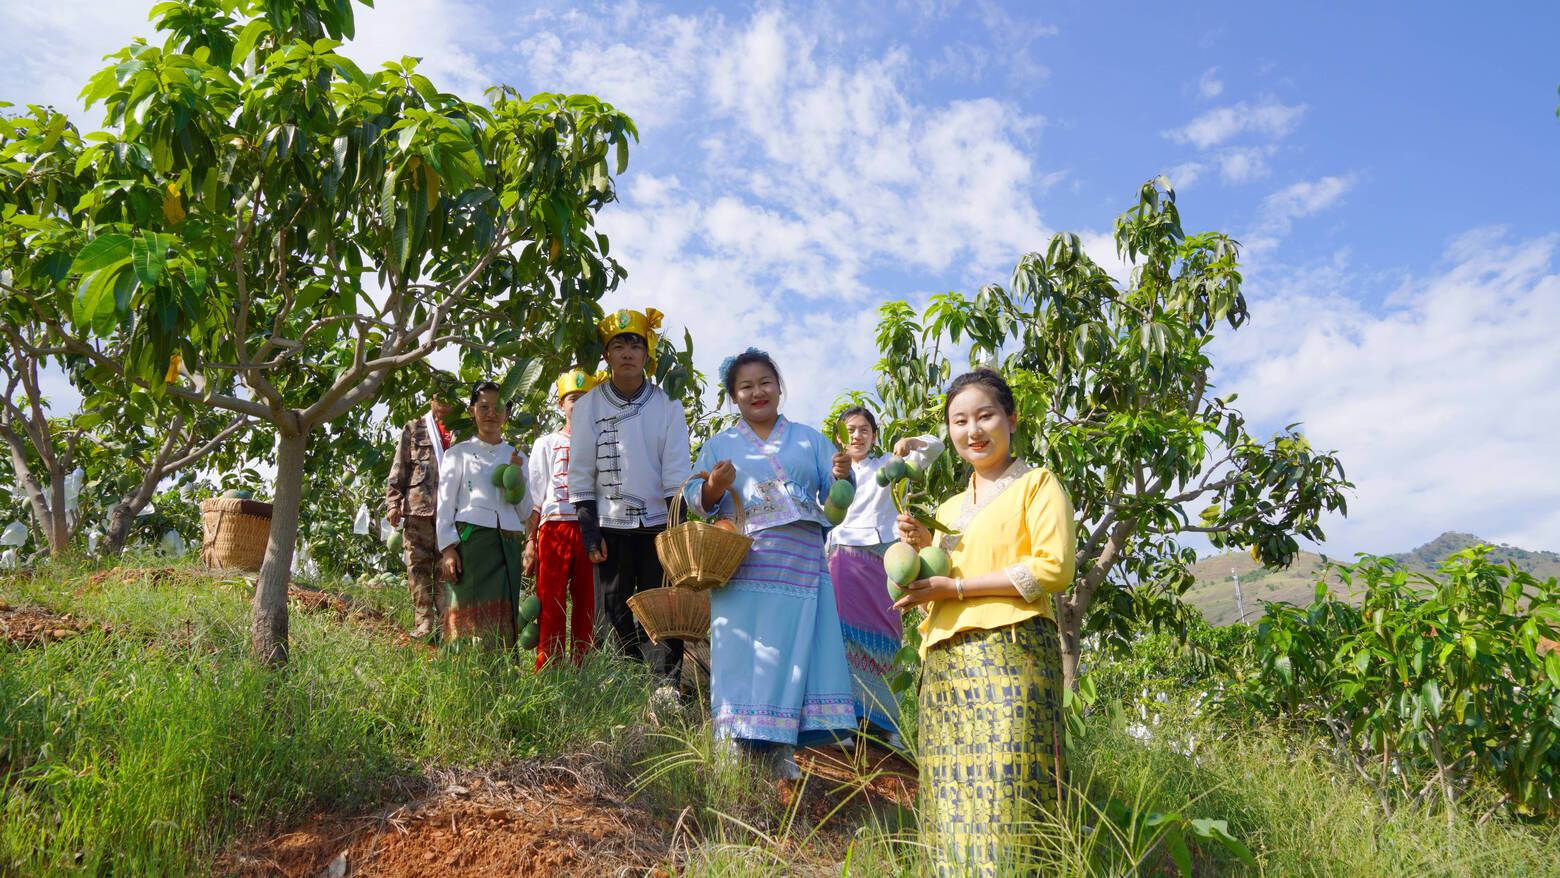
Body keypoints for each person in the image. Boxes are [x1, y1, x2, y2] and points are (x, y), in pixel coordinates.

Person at [893, 368, 1077, 875]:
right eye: (959, 421)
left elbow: (1053, 569)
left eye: (985, 416)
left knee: (1012, 799)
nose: (972, 430)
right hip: (944, 668)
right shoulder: (949, 510)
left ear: (1011, 420)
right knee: (949, 808)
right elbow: (936, 595)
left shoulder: (1037, 484)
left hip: (1012, 656)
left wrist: (954, 588)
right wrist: (923, 554)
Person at [686, 348, 857, 779]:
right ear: (734, 397)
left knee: (793, 652)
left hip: (801, 560)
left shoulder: (810, 439)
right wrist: (713, 485)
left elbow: (836, 500)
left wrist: (842, 476)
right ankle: (730, 743)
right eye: (745, 386)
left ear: (779, 387)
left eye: (765, 382)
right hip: (743, 562)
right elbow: (696, 502)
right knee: (739, 648)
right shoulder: (720, 444)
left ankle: (781, 748)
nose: (756, 392)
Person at [567, 307, 693, 689]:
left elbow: (676, 470)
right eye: (618, 345)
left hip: (658, 524)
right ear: (606, 354)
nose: (627, 353)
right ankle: (617, 687)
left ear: (646, 354)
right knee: (611, 611)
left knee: (663, 609)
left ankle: (665, 688)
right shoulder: (588, 406)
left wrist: (677, 531)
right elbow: (581, 471)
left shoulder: (668, 405)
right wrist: (590, 531)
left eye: (635, 345)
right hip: (609, 524)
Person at [825, 405, 943, 750]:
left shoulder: (888, 466)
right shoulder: (832, 473)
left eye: (864, 429)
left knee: (888, 636)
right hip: (844, 556)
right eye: (850, 430)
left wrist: (911, 442)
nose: (857, 436)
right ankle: (844, 723)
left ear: (874, 436)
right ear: (839, 438)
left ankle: (886, 724)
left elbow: (936, 446)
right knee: (843, 637)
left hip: (886, 559)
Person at [435, 382, 531, 647]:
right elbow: (445, 504)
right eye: (484, 407)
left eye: (498, 408)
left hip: (507, 544)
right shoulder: (458, 454)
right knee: (465, 609)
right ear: (472, 411)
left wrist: (517, 476)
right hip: (471, 543)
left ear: (507, 413)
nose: (491, 414)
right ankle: (462, 667)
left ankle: (499, 671)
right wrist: (448, 549)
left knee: (502, 615)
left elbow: (525, 511)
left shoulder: (517, 457)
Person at [524, 368, 606, 669]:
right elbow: (535, 498)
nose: (579, 405)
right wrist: (530, 542)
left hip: (590, 530)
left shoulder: (602, 444)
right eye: (573, 399)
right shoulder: (545, 443)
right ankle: (549, 669)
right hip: (554, 528)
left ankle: (584, 672)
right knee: (550, 602)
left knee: (587, 604)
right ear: (561, 404)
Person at [385, 392, 454, 639]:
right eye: (440, 396)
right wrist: (393, 503)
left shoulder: (462, 431)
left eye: (450, 396)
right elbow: (400, 466)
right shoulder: (415, 428)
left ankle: (447, 627)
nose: (445, 401)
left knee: (447, 570)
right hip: (418, 510)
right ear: (431, 399)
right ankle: (424, 622)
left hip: (451, 512)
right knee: (417, 567)